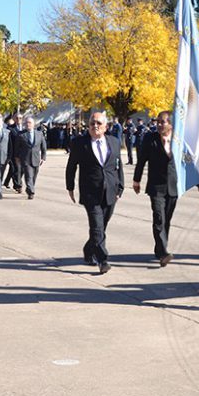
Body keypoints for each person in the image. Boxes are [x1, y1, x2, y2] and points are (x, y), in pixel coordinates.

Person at [65, 111, 124, 274]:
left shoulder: (114, 142)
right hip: (90, 192)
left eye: (98, 123)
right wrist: (70, 187)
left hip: (110, 191)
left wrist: (121, 187)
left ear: (105, 126)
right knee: (97, 226)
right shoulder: (79, 143)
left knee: (101, 227)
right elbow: (71, 166)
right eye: (92, 123)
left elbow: (118, 166)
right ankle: (103, 259)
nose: (95, 126)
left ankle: (89, 249)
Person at [132, 110, 178, 266]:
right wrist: (136, 180)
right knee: (159, 218)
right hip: (156, 186)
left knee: (166, 220)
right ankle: (164, 252)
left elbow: (189, 162)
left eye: (162, 122)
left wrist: (198, 183)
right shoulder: (149, 138)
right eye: (157, 121)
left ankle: (159, 249)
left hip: (173, 186)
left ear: (171, 124)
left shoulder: (179, 140)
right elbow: (142, 160)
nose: (158, 124)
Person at [15, 115, 47, 200]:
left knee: (34, 177)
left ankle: (29, 187)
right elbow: (17, 147)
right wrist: (17, 157)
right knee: (28, 175)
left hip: (36, 159)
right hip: (25, 159)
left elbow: (43, 146)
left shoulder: (39, 134)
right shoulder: (21, 134)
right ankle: (31, 192)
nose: (27, 124)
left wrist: (43, 157)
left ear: (33, 124)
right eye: (26, 123)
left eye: (29, 123)